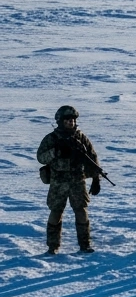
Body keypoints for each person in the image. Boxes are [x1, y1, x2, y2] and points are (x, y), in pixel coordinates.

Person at [37, 106, 101, 254]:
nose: (71, 123)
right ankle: (53, 246)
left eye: (73, 120)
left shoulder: (81, 138)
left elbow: (92, 158)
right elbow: (41, 157)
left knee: (81, 211)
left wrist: (96, 178)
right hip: (58, 182)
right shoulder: (52, 138)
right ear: (60, 121)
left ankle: (85, 244)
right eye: (67, 120)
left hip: (78, 180)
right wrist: (56, 152)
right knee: (56, 211)